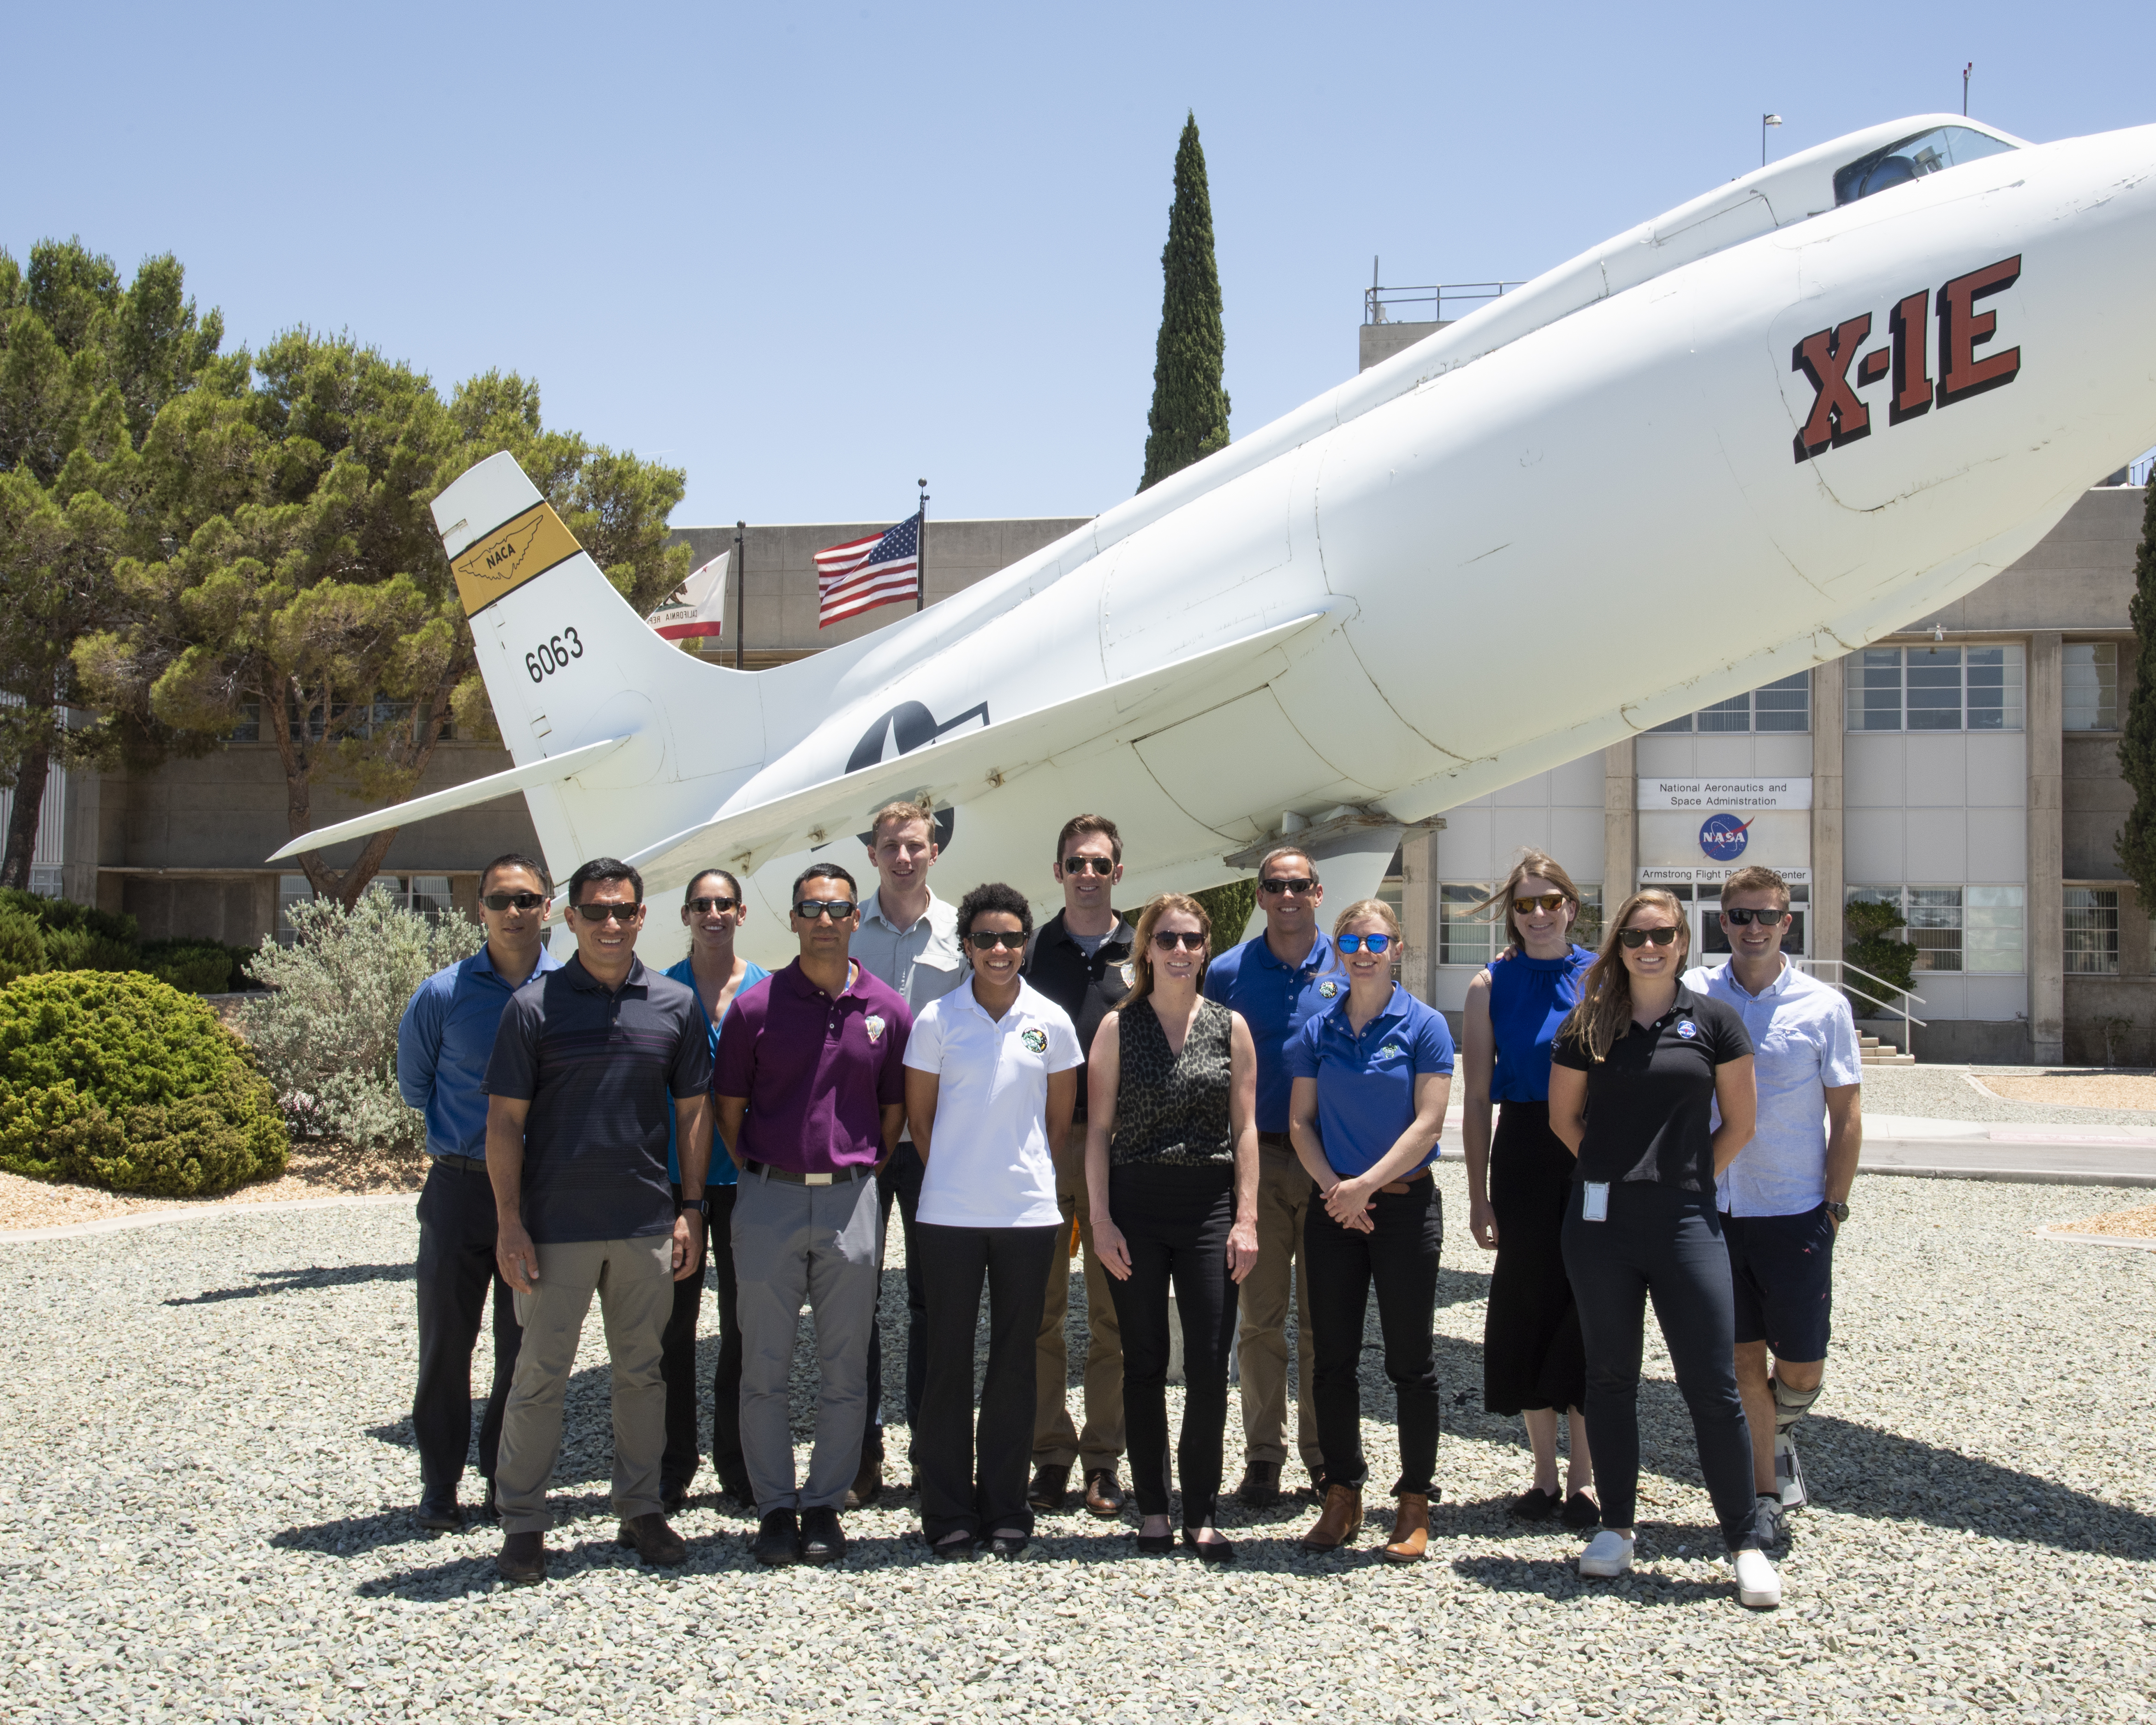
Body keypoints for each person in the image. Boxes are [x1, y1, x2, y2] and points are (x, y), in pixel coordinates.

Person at [1549, 889, 1780, 1610]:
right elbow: (1564, 1120)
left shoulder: (1715, 1021)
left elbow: (1740, 1123)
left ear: (1684, 942)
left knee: (1711, 1386)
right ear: (1618, 945)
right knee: (1611, 1378)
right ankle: (1617, 1528)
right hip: (1601, 1227)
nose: (1649, 946)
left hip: (1687, 1222)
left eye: (1663, 935)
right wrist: (1617, 1178)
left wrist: (1682, 1181)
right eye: (1636, 935)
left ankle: (1744, 1541)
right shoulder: (1588, 1024)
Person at [484, 858, 713, 1586]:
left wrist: (691, 1210)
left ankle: (641, 1508)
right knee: (538, 1378)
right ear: (570, 919)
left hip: (646, 1226)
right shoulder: (532, 1009)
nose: (610, 924)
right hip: (554, 1232)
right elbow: (503, 1124)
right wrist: (509, 1222)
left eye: (623, 911)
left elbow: (693, 1116)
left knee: (641, 1375)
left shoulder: (675, 1005)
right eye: (595, 911)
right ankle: (522, 1522)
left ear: (643, 916)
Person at [712, 863, 912, 1567]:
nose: (824, 920)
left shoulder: (888, 1007)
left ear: (857, 918)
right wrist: (773, 1169)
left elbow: (894, 1115)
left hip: (852, 1198)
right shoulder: (756, 1008)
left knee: (844, 1364)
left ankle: (824, 1503)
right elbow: (728, 1112)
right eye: (810, 908)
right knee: (763, 1363)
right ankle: (774, 1506)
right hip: (767, 1194)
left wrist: (851, 1169)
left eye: (837, 908)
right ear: (793, 920)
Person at [1684, 864, 1861, 1549]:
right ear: (1722, 923)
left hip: (1794, 1211)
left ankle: (1784, 1423)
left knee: (1801, 1367)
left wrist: (1834, 1207)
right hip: (1714, 1212)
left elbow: (1844, 1115)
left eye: (1766, 916)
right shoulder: (1693, 993)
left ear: (1789, 923)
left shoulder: (1823, 1007)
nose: (1752, 928)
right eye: (1739, 917)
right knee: (1740, 1360)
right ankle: (1765, 1490)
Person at [905, 882, 1083, 1558]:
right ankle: (947, 1508)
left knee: (1015, 1364)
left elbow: (1057, 1122)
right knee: (947, 1361)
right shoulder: (937, 1020)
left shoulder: (1052, 1021)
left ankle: (1006, 1505)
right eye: (985, 939)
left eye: (1011, 939)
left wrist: (1016, 1173)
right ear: (967, 946)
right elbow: (921, 1123)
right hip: (948, 1214)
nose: (1000, 950)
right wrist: (961, 1170)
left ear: (1024, 944)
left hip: (1029, 1216)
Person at [1088, 893, 1260, 1561]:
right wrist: (1100, 1222)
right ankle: (1155, 1508)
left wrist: (1247, 1219)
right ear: (1147, 949)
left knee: (1211, 1365)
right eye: (1167, 939)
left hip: (1208, 1207)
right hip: (1134, 1204)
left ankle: (1203, 1511)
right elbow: (1097, 1132)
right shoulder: (1116, 1028)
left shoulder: (1231, 1027)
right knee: (1145, 1362)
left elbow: (1245, 1130)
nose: (1180, 951)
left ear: (1205, 947)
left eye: (1191, 939)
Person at [397, 853, 562, 1531]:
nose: (514, 912)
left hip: (540, 1197)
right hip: (459, 1192)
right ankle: (440, 1488)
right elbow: (415, 1088)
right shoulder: (442, 995)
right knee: (446, 1346)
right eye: (501, 900)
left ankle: (503, 1481)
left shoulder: (570, 993)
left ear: (548, 908)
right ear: (480, 909)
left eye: (527, 900)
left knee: (519, 1351)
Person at [1287, 900, 1455, 1561]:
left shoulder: (1426, 1025)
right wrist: (1338, 1189)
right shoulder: (1317, 1028)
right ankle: (1343, 1494)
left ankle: (1414, 1502)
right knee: (1332, 1362)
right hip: (1334, 1213)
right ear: (1338, 947)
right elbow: (1301, 1122)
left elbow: (1428, 1124)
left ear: (1397, 946)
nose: (1364, 951)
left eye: (1376, 940)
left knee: (1411, 1363)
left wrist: (1367, 1186)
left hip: (1404, 1209)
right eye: (1352, 940)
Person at [1460, 852, 1599, 1527]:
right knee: (1526, 1304)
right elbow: (1479, 1095)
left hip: (1591, 1155)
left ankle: (1585, 1476)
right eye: (1525, 905)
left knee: (1592, 1306)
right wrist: (1478, 1194)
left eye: (1551, 902)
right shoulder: (1491, 985)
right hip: (1521, 1154)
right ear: (1511, 915)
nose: (1539, 914)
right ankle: (1543, 1474)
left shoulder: (1605, 976)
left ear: (1572, 906)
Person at [1200, 845, 1342, 1506]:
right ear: (1259, 896)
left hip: (1329, 1166)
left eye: (1300, 885)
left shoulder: (1348, 966)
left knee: (1323, 1321)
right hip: (1254, 1162)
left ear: (1318, 893)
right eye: (1275, 885)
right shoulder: (1226, 973)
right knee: (1259, 1321)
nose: (1287, 895)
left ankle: (1322, 1455)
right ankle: (1263, 1454)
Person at [847, 800, 966, 1506]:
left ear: (934, 851)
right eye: (890, 845)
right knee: (855, 1298)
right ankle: (863, 1449)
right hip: (858, 1140)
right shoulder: (842, 931)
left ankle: (930, 1449)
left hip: (934, 1142)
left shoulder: (959, 933)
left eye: (915, 845)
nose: (903, 858)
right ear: (872, 853)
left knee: (934, 1301)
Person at [1022, 813, 1135, 1520]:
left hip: (1121, 1153)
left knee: (1112, 1313)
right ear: (1058, 871)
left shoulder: (1147, 948)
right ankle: (1049, 1456)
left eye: (1099, 864)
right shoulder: (1033, 949)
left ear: (1118, 873)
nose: (1087, 875)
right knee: (1039, 1314)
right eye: (1075, 864)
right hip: (1045, 1145)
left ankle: (1103, 1460)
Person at [659, 869, 771, 1512]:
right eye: (701, 904)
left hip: (748, 1183)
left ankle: (737, 1459)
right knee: (673, 1331)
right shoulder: (660, 990)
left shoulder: (768, 991)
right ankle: (674, 1464)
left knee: (743, 1328)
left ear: (741, 912)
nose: (713, 914)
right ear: (686, 915)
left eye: (723, 904)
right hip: (674, 1187)